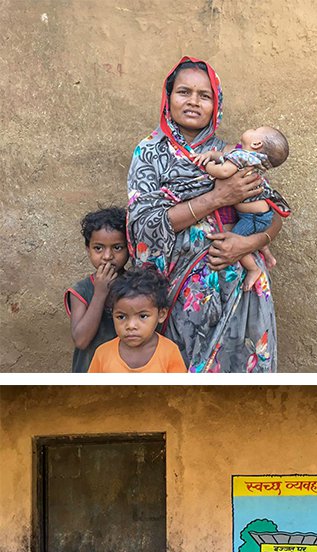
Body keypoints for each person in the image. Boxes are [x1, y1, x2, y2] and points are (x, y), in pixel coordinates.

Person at [127, 57, 281, 372]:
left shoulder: (232, 155)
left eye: (205, 95)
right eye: (184, 92)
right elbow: (142, 224)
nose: (194, 102)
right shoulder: (149, 154)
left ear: (216, 104)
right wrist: (218, 197)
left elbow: (271, 209)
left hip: (237, 284)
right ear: (168, 98)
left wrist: (249, 245)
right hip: (178, 290)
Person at [191, 126, 291, 291]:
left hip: (252, 218)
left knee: (235, 243)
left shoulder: (244, 157)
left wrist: (207, 165)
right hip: (260, 215)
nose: (250, 128)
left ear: (257, 143)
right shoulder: (251, 158)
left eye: (254, 129)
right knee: (254, 234)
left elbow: (223, 170)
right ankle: (267, 254)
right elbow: (225, 157)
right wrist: (212, 154)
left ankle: (253, 268)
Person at [65, 207, 129, 372]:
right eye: (98, 248)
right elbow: (81, 340)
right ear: (88, 249)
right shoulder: (81, 291)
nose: (107, 256)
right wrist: (100, 293)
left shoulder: (136, 287)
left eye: (117, 247)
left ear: (129, 248)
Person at [88, 267, 187, 373]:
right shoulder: (103, 354)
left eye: (143, 316)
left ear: (161, 315)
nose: (131, 326)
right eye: (121, 317)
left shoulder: (170, 352)